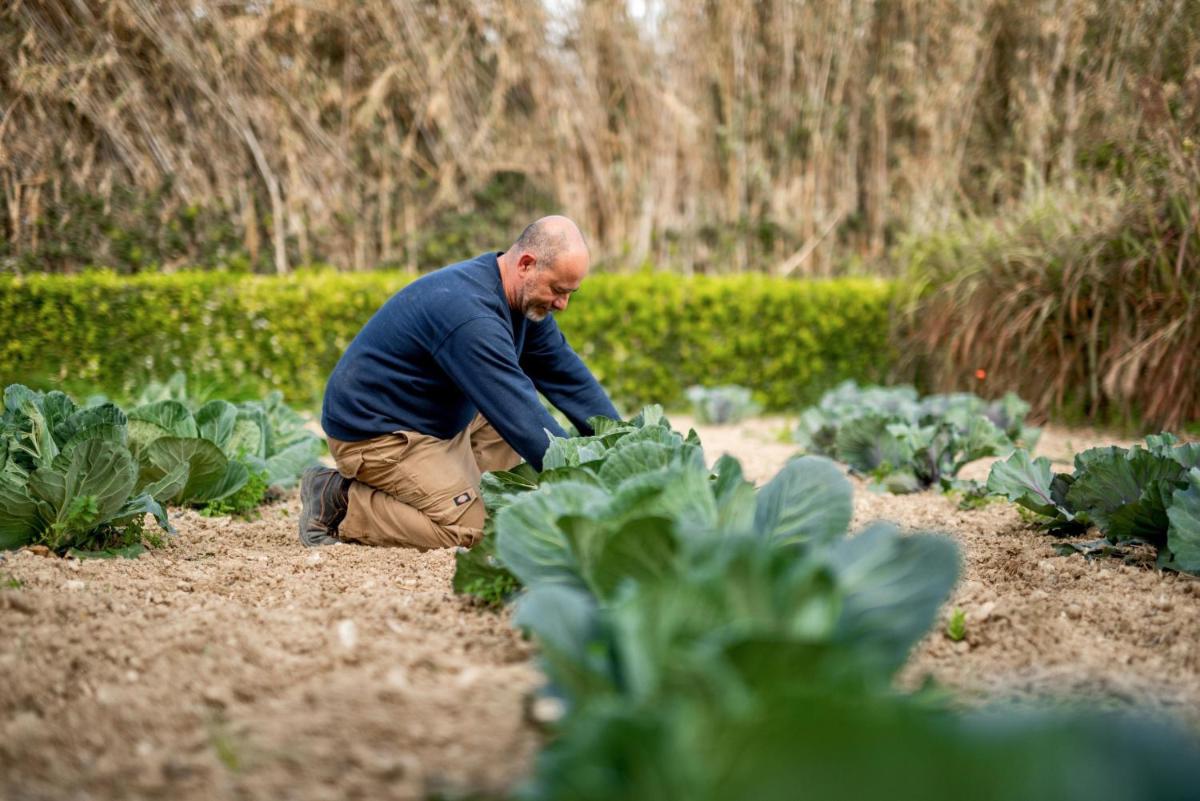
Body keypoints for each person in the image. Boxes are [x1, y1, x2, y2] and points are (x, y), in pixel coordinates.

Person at [299, 215, 620, 549]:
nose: (562, 304)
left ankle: (464, 496)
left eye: (570, 294)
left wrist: (621, 447)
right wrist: (582, 482)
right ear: (526, 264)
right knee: (484, 531)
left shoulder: (522, 301)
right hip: (381, 433)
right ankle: (341, 501)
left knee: (504, 485)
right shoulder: (470, 315)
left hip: (437, 416)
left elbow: (569, 378)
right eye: (558, 290)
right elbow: (519, 413)